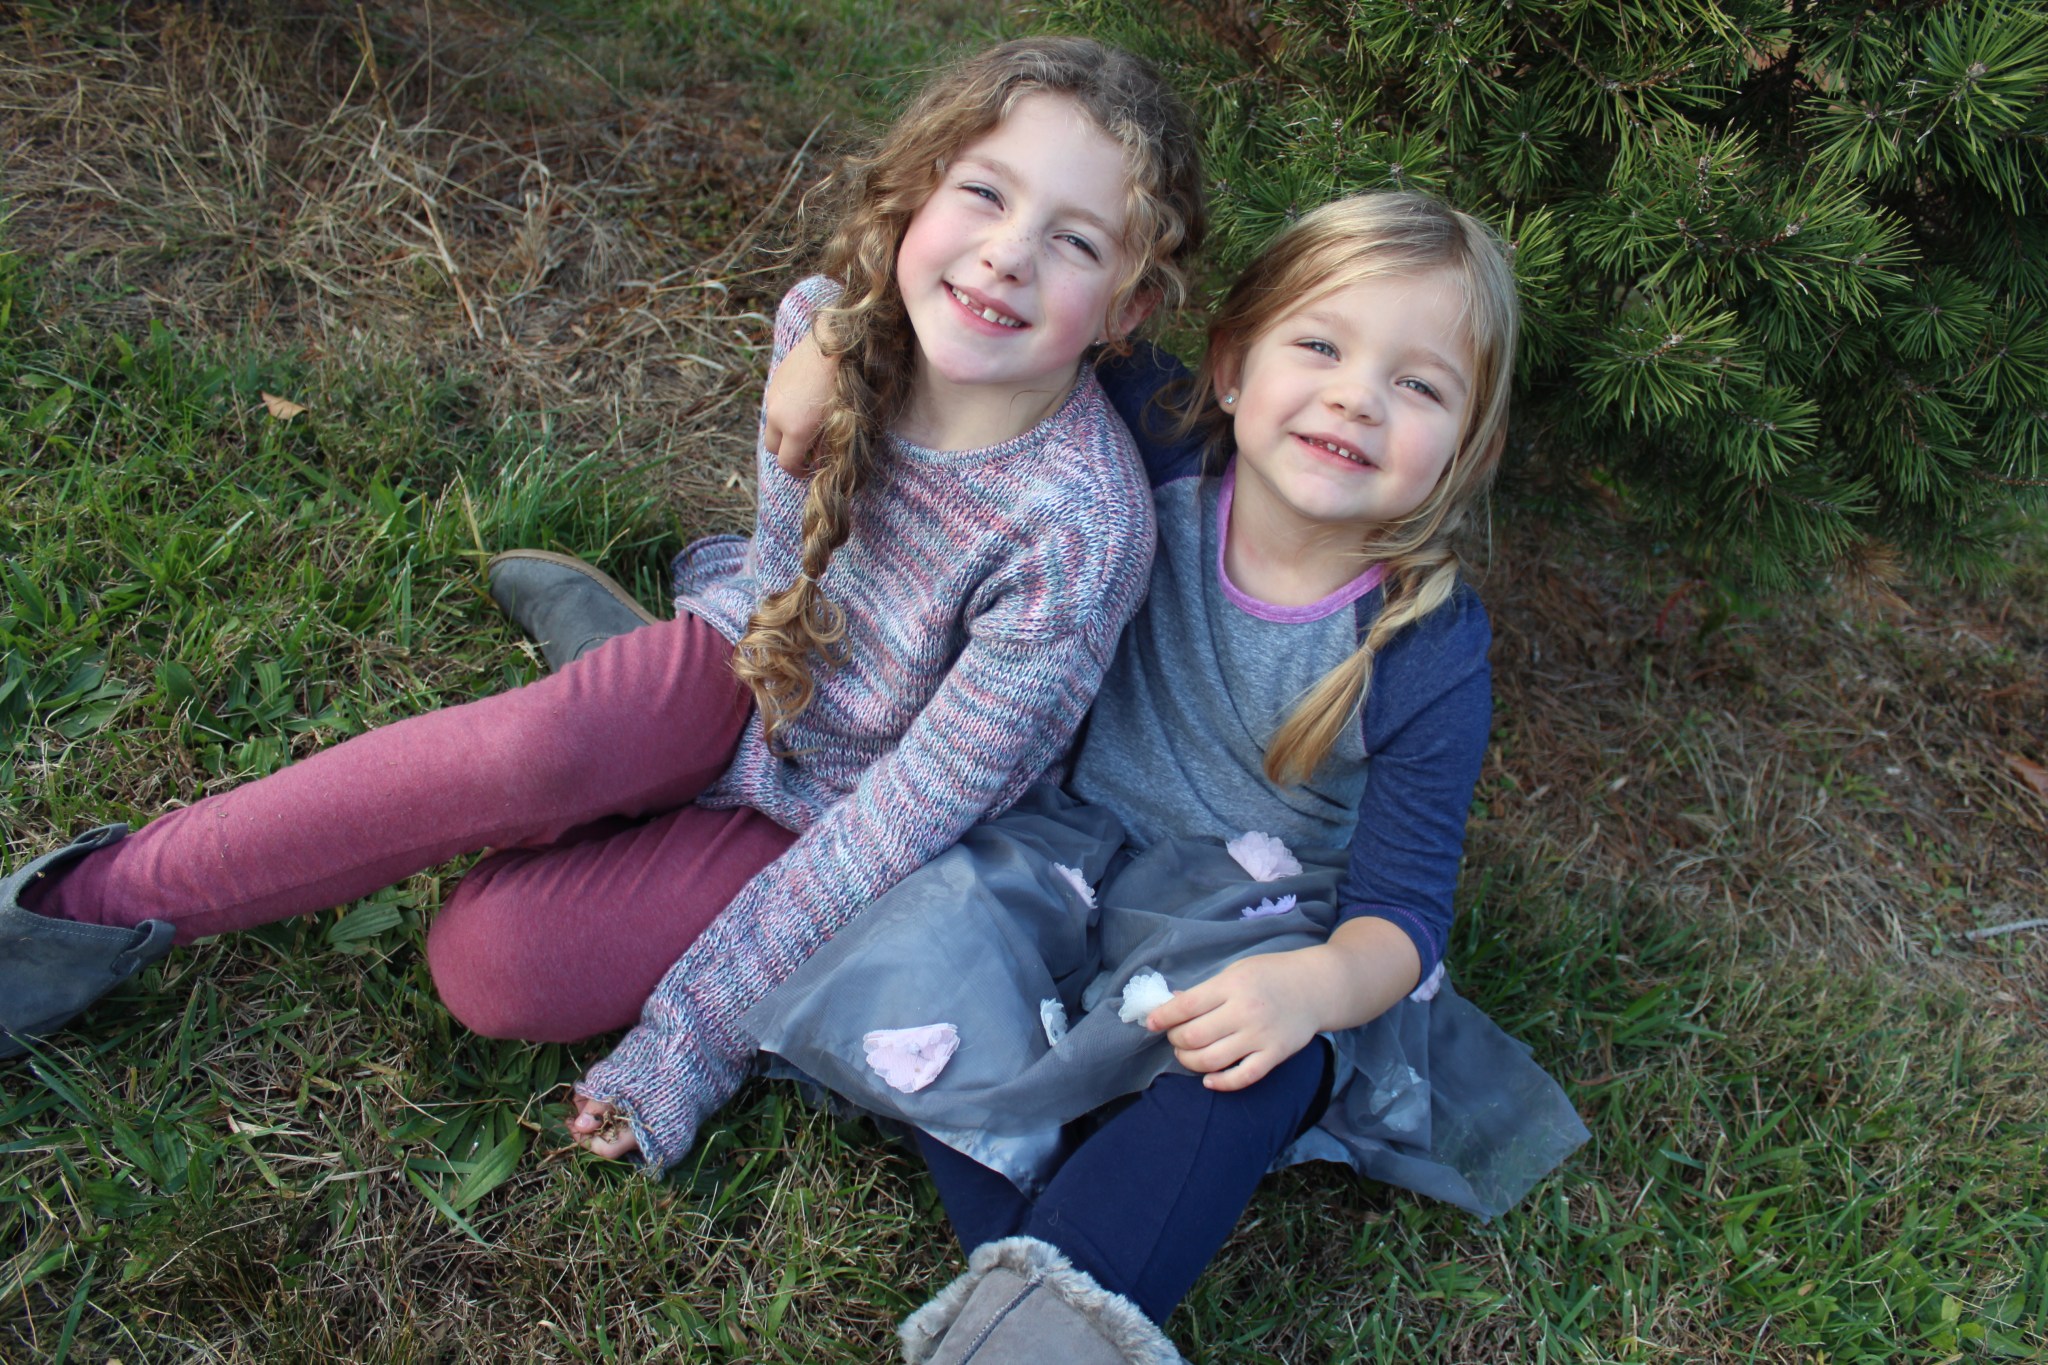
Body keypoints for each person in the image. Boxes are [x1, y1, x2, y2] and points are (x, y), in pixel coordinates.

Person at [0, 37, 1206, 1183]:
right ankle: (67, 920)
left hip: (835, 807)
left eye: (1075, 242)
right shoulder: (828, 333)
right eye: (985, 196)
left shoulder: (1076, 535)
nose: (1006, 256)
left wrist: (690, 1039)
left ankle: (614, 702)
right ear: (917, 190)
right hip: (741, 661)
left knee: (493, 967)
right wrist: (834, 342)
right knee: (530, 751)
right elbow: (782, 581)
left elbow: (894, 827)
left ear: (1128, 310)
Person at [736, 192, 1589, 1363]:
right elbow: (987, 312)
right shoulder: (1164, 437)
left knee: (1253, 1066)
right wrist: (830, 345)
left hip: (1255, 918)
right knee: (925, 935)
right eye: (1321, 346)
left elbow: (1402, 919)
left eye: (1419, 385)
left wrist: (1313, 990)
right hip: (1057, 840)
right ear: (1230, 367)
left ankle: (1045, 1312)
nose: (1355, 397)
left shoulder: (1421, 645)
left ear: (1468, 452)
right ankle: (1039, 1277)